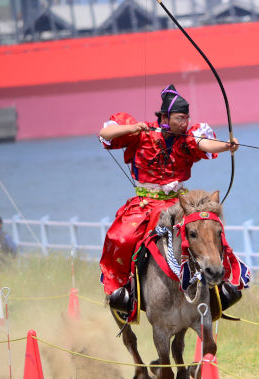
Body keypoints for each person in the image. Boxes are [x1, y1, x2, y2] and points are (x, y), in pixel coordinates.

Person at [98, 84, 239, 313]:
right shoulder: (141, 134)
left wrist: (225, 146)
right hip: (145, 204)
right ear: (165, 117)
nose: (184, 123)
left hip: (179, 203)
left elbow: (204, 144)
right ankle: (124, 291)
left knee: (209, 229)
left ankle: (222, 285)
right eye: (180, 118)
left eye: (186, 118)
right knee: (121, 237)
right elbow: (105, 134)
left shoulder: (188, 138)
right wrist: (133, 127)